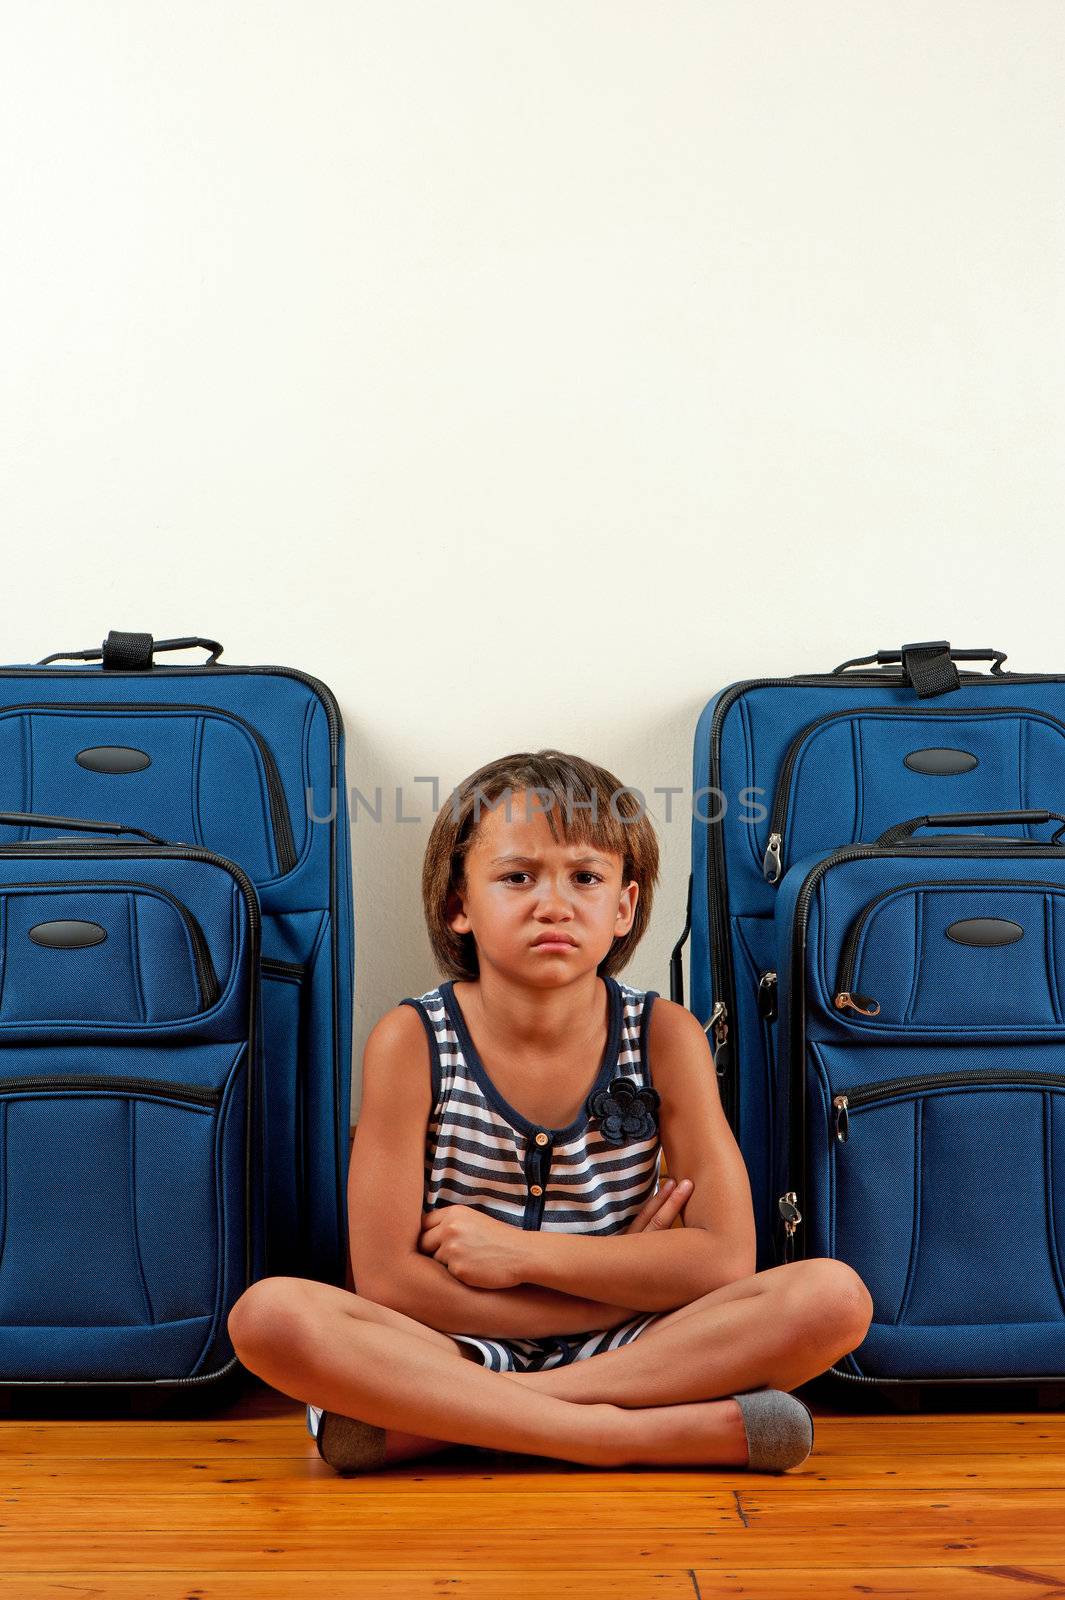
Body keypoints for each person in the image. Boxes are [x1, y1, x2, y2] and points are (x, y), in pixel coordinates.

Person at [227, 749, 874, 1474]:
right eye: (515, 877)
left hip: (641, 1344)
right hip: (446, 1341)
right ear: (458, 906)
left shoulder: (665, 1036)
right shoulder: (410, 1039)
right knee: (271, 1315)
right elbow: (386, 1281)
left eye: (585, 878)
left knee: (830, 1297)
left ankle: (464, 1418)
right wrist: (620, 1276)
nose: (553, 903)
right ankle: (619, 1435)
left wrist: (524, 1255)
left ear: (623, 906)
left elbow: (722, 1261)